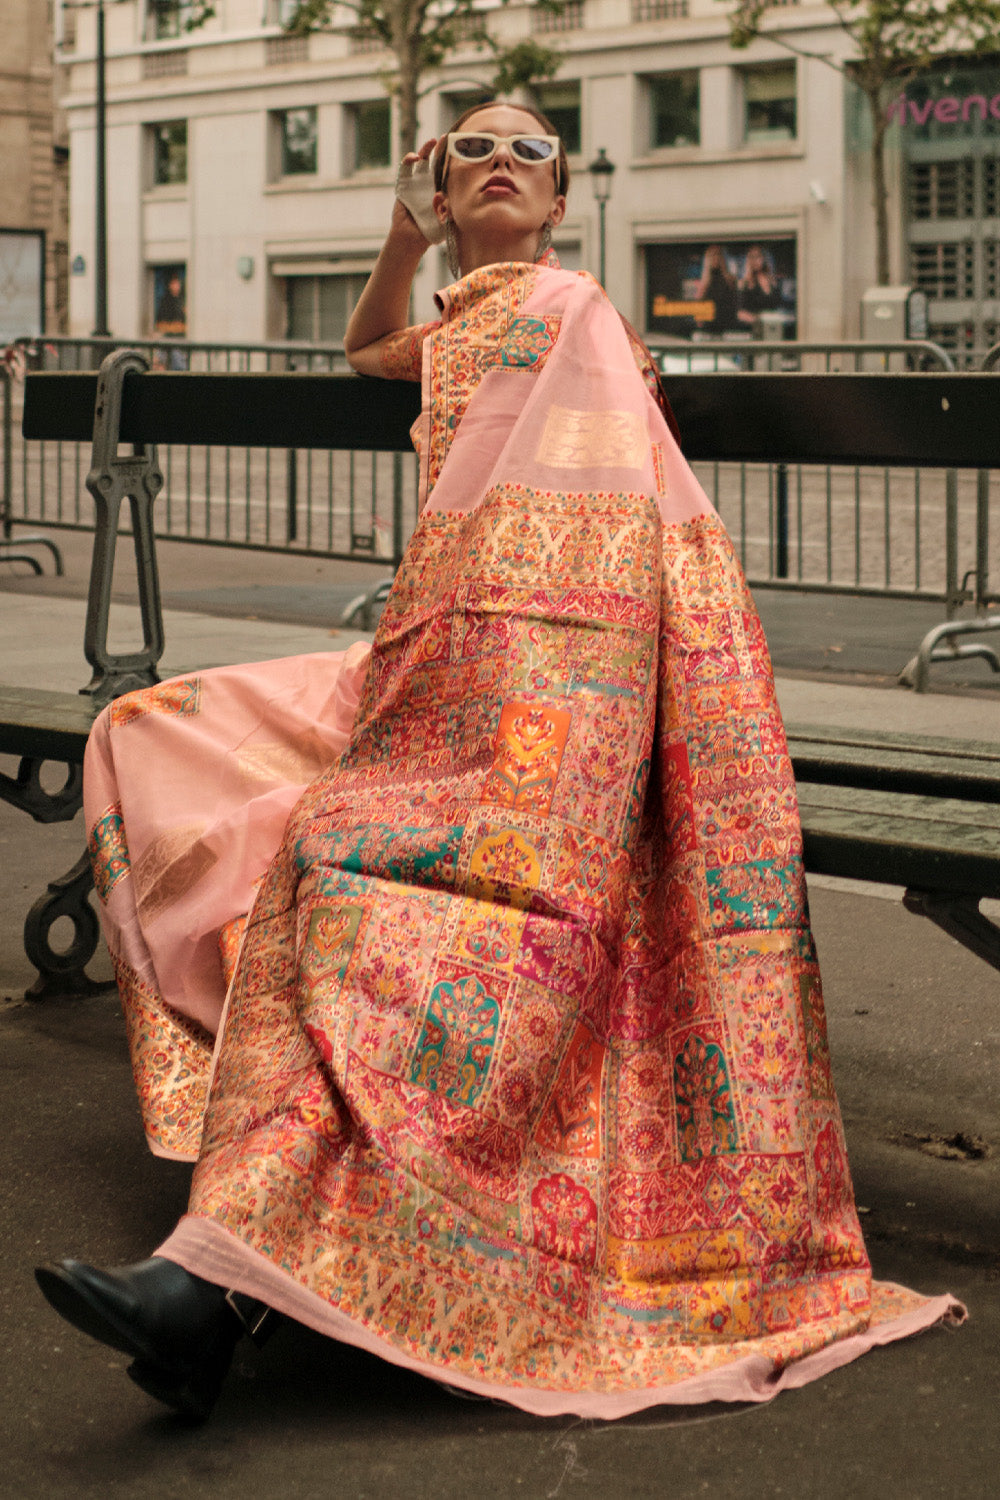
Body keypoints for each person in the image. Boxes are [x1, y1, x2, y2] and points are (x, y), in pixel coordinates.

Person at [35, 101, 962, 1424]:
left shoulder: (573, 307)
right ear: (439, 186)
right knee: (143, 731)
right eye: (472, 148)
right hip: (425, 664)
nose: (501, 162)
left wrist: (518, 676)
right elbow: (367, 345)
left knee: (341, 879)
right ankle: (245, 1195)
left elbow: (608, 527)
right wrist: (400, 237)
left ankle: (226, 1274)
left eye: (530, 150)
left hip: (545, 684)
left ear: (564, 193)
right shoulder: (465, 317)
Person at [693, 243, 738, 335]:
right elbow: (698, 304)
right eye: (712, 255)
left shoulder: (729, 280)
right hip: (708, 326)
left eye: (718, 254)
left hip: (727, 325)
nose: (715, 258)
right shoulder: (704, 282)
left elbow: (734, 303)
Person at [737, 244, 783, 329]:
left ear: (764, 258)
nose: (754, 261)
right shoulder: (744, 283)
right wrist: (759, 321)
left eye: (757, 256)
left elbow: (779, 308)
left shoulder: (774, 282)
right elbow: (739, 313)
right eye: (751, 257)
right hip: (753, 328)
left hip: (773, 328)